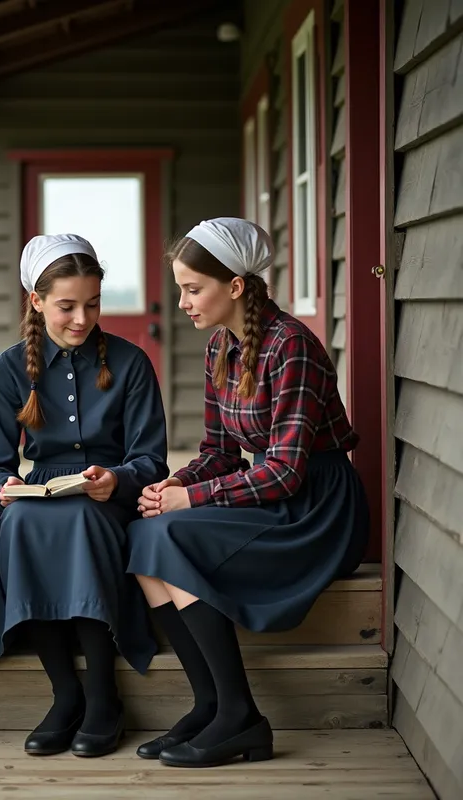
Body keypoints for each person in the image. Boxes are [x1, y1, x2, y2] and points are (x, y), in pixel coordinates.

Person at [126, 217, 369, 768]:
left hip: (317, 507)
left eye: (193, 289)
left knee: (173, 539)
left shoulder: (292, 347)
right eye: (181, 289)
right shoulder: (220, 348)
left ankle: (240, 716)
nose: (184, 302)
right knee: (144, 537)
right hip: (267, 494)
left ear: (235, 285)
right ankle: (209, 703)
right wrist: (177, 482)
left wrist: (193, 501)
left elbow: (285, 470)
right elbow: (219, 452)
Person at [0, 233, 169, 758]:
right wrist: (4, 489)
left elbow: (151, 459)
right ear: (36, 302)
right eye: (66, 306)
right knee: (20, 525)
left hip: (107, 495)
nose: (81, 317)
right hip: (41, 491)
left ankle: (104, 696)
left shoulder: (131, 363)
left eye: (92, 304)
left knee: (82, 517)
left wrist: (118, 481)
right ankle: (65, 693)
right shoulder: (10, 368)